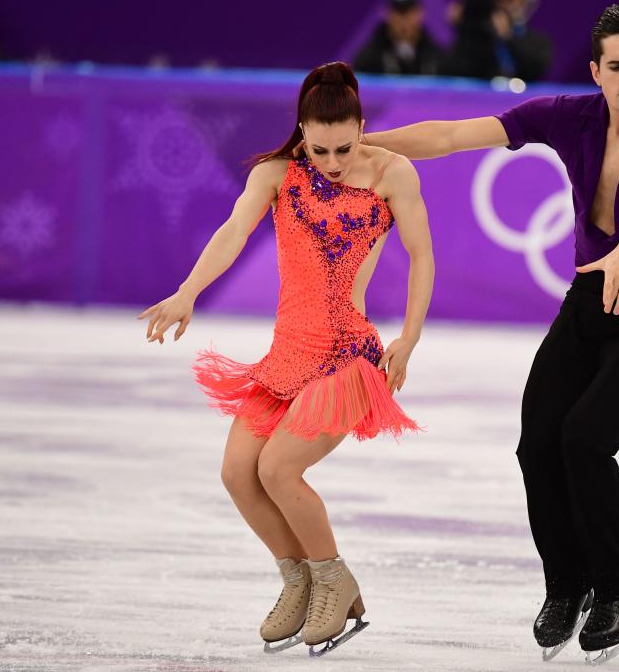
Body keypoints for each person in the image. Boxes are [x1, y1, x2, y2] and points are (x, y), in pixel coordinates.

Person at [365, 6, 619, 663]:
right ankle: (566, 585)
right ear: (595, 71)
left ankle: (618, 591)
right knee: (536, 443)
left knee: (585, 437)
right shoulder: (566, 115)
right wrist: (363, 147)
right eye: (617, 67)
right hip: (588, 299)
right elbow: (452, 134)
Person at [137, 61, 434, 656]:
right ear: (301, 131)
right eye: (319, 149)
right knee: (236, 474)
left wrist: (410, 337)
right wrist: (187, 292)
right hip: (287, 355)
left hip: (350, 355)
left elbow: (422, 255)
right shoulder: (277, 175)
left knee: (278, 469)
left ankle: (333, 576)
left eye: (344, 148)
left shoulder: (392, 174)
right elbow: (232, 232)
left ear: (361, 127)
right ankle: (300, 582)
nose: (331, 162)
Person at [441, 0, 550, 82]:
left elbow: (535, 70)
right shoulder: (470, 36)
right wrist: (461, 26)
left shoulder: (535, 41)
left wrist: (508, 37)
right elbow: (453, 71)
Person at [353, 0, 444, 76]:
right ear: (386, 14)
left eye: (409, 12)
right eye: (398, 13)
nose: (403, 20)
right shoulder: (369, 58)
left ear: (420, 13)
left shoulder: (436, 56)